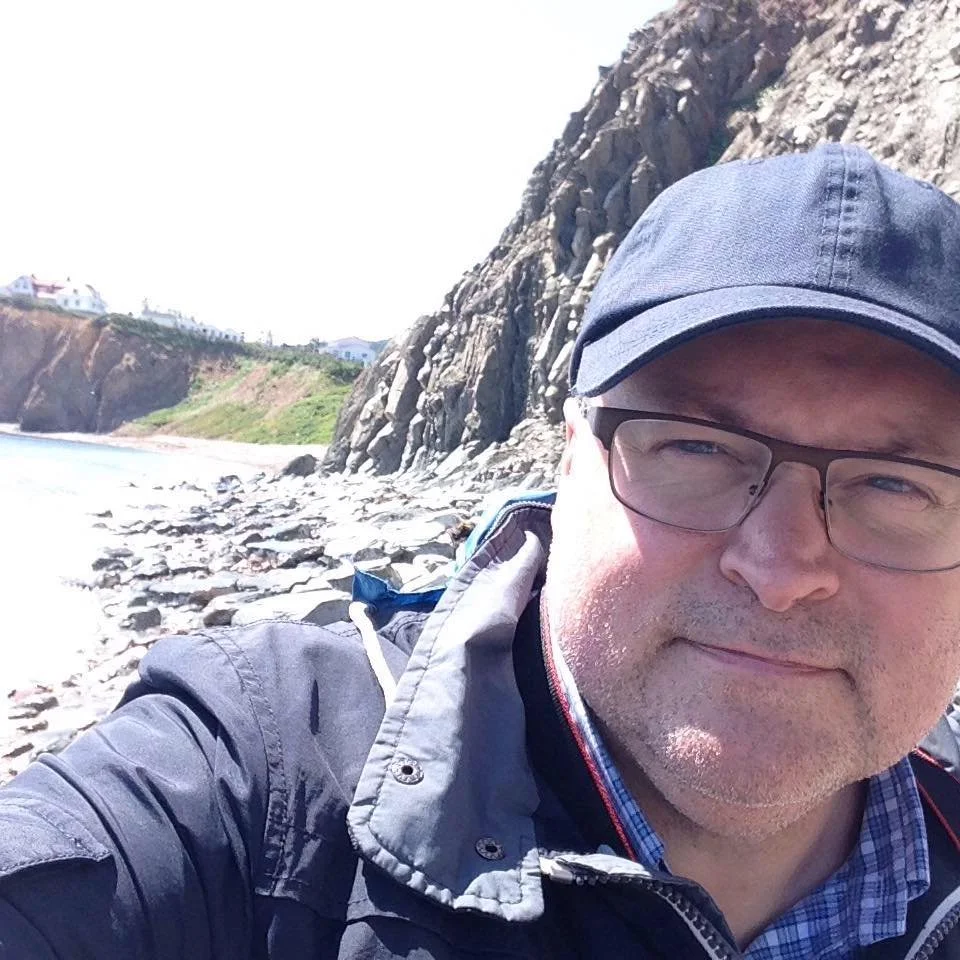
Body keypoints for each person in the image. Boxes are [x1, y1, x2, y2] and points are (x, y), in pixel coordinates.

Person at [4, 143, 960, 960]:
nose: (783, 566)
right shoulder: (251, 785)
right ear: (569, 462)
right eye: (696, 448)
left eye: (896, 484)